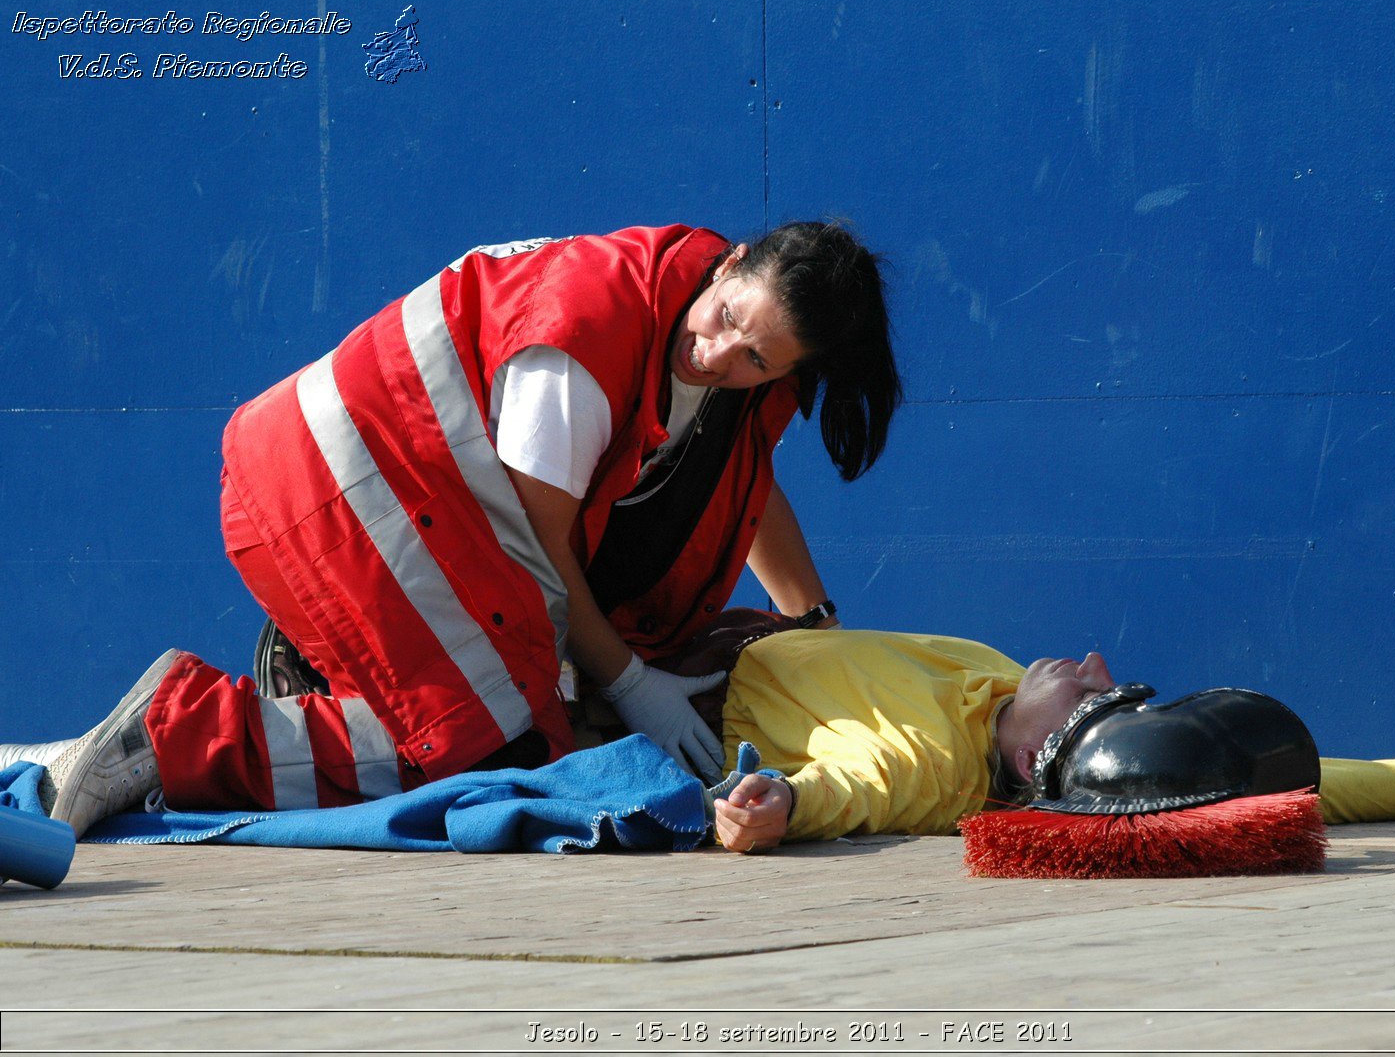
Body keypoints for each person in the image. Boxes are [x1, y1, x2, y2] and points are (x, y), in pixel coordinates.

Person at [34, 222, 902, 835]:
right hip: (328, 490)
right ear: (731, 265)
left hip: (429, 508)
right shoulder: (584, 339)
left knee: (534, 709)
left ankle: (337, 679)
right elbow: (541, 557)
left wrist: (817, 634)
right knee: (486, 747)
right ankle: (170, 736)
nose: (717, 358)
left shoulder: (710, 323)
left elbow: (745, 492)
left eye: (756, 360)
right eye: (727, 325)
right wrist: (632, 682)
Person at [698, 626, 1395, 853]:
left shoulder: (931, 765)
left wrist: (780, 803)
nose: (1092, 663)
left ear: (1033, 762)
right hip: (756, 622)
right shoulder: (1004, 685)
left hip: (687, 669)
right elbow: (1260, 773)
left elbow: (857, 788)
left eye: (1095, 693)